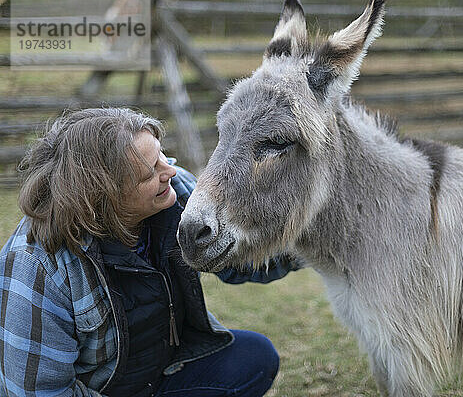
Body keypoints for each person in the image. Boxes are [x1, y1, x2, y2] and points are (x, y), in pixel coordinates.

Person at [0, 107, 301, 397]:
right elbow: (40, 391)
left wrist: (307, 243)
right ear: (101, 195)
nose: (169, 169)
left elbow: (235, 261)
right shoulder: (36, 268)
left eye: (160, 154)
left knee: (253, 357)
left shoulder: (176, 192)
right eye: (148, 172)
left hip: (160, 372)